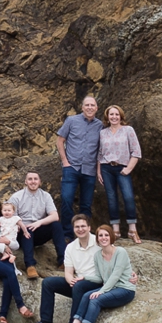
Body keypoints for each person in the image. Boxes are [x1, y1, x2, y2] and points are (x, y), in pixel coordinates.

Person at [30, 213, 100, 323]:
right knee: (48, 283)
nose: (80, 229)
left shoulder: (99, 242)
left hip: (96, 283)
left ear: (89, 227)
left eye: (83, 226)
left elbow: (114, 257)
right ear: (73, 229)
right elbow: (68, 272)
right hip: (78, 283)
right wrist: (70, 280)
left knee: (79, 286)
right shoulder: (71, 247)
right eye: (77, 227)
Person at [65, 224, 138, 323]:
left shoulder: (120, 252)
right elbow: (99, 278)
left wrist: (102, 291)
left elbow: (115, 276)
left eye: (106, 235)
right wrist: (84, 277)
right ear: (97, 239)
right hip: (112, 288)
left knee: (95, 299)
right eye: (100, 236)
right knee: (86, 296)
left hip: (125, 289)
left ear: (111, 237)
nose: (103, 238)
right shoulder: (98, 255)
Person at [54, 96, 104, 235]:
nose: (89, 107)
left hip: (89, 170)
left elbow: (101, 149)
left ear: (96, 108)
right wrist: (65, 162)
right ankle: (67, 233)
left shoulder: (100, 125)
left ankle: (85, 233)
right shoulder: (71, 120)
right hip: (71, 168)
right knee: (66, 199)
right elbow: (60, 141)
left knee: (86, 205)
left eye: (92, 105)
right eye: (87, 105)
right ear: (82, 107)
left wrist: (99, 170)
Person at [97, 104, 142, 242]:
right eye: (111, 114)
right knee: (111, 199)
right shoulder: (102, 133)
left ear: (121, 116)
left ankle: (132, 230)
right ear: (107, 117)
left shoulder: (128, 130)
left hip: (122, 167)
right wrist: (99, 171)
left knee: (128, 197)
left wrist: (128, 168)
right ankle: (115, 230)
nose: (114, 117)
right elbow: (99, 154)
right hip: (106, 168)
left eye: (116, 114)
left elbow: (136, 152)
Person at [10, 171, 60, 279]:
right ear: (26, 182)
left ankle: (63, 262)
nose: (33, 181)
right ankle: (30, 266)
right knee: (27, 230)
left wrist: (39, 222)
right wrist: (22, 226)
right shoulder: (16, 197)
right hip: (21, 233)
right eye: (30, 179)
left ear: (40, 181)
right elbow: (11, 218)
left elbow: (55, 216)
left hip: (38, 231)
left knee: (56, 225)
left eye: (35, 179)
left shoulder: (46, 196)